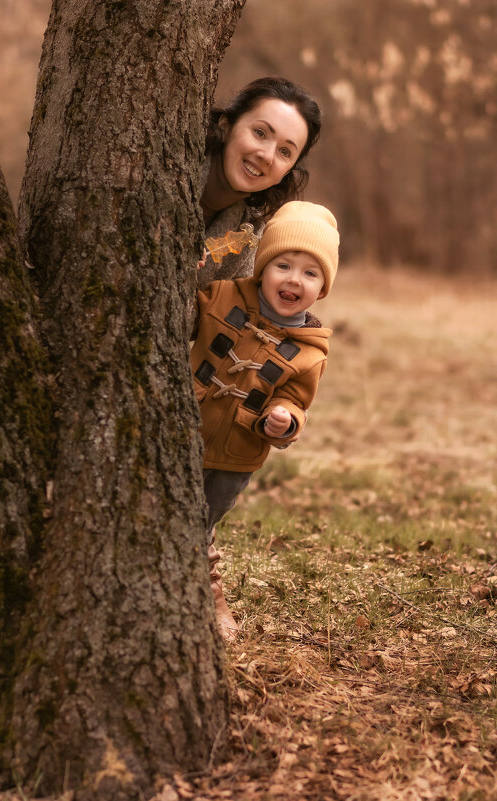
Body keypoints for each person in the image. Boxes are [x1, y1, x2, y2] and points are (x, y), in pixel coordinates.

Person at [192, 201, 340, 639]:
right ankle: (206, 591)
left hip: (234, 454)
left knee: (205, 519)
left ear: (322, 288)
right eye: (284, 265)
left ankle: (203, 589)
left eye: (311, 273)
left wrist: (284, 420)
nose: (294, 279)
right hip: (182, 429)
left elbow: (296, 401)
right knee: (179, 517)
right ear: (263, 267)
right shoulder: (223, 296)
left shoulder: (309, 352)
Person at [197, 76, 322, 286]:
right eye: (260, 133)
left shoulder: (250, 234)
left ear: (288, 171)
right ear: (226, 125)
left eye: (285, 151)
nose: (267, 156)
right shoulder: (170, 168)